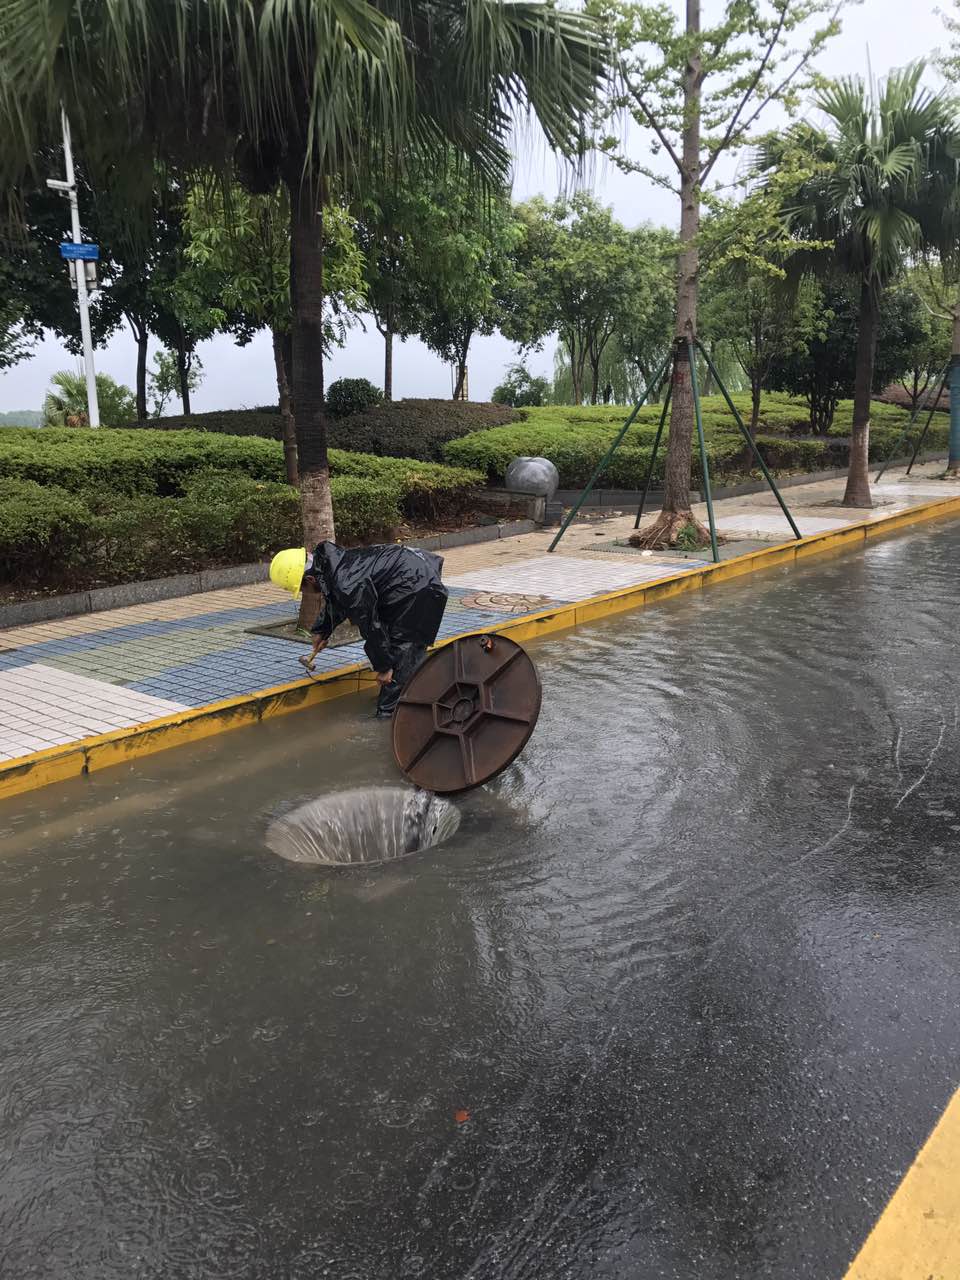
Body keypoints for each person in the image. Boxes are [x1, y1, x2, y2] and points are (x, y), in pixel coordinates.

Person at [270, 542, 448, 719]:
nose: (305, 593)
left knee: (402, 656)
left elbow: (370, 625)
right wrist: (321, 631)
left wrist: (384, 667)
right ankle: (413, 697)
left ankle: (391, 717)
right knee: (398, 658)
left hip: (419, 588)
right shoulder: (332, 564)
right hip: (409, 577)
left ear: (310, 579)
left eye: (302, 589)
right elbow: (338, 601)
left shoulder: (345, 582)